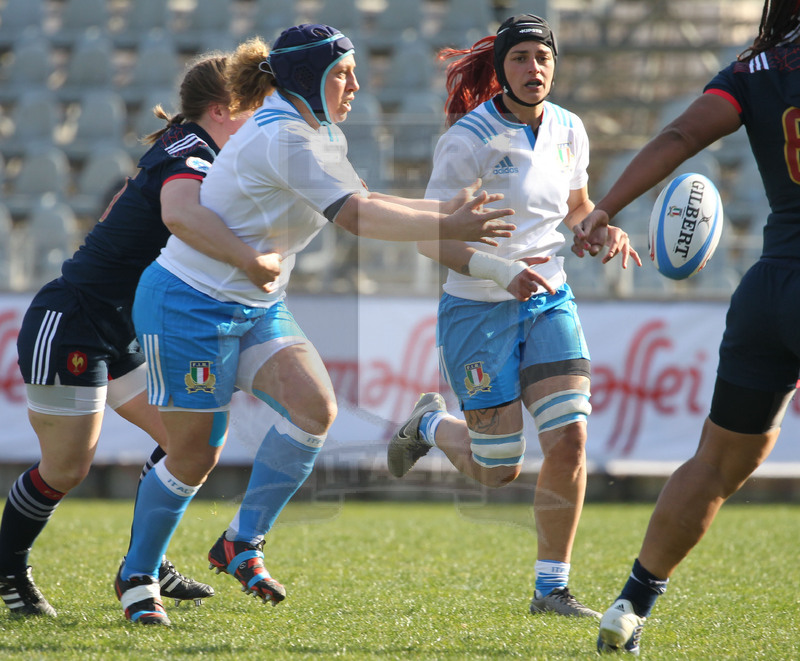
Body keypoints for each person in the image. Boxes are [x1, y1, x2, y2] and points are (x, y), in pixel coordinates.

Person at [115, 23, 516, 626]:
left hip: (252, 304)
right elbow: (357, 216)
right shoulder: (284, 137)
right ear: (308, 76)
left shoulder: (316, 132)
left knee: (313, 410)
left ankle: (240, 544)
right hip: (187, 302)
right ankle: (138, 575)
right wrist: (447, 226)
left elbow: (369, 196)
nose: (356, 84)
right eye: (343, 73)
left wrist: (444, 212)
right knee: (194, 454)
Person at [0, 45, 279, 618]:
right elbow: (181, 213)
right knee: (67, 469)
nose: (262, 117)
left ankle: (143, 565)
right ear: (225, 106)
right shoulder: (190, 153)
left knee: (190, 443)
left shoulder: (197, 151)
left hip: (119, 328)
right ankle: (8, 570)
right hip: (72, 323)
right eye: (254, 104)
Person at [387, 14, 640, 619]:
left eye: (543, 58)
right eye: (522, 58)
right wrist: (500, 271)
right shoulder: (468, 139)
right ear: (501, 67)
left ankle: (551, 589)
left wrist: (599, 229)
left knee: (570, 439)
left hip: (549, 299)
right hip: (479, 310)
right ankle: (429, 427)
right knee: (497, 470)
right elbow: (430, 240)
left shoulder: (570, 129)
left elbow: (577, 206)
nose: (535, 69)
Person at [569, 0, 800, 654]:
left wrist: (605, 207)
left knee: (717, 462)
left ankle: (631, 602)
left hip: (768, 289)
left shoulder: (757, 66)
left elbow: (678, 138)